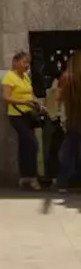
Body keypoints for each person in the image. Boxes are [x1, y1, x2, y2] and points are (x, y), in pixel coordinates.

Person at [3, 50, 42, 190]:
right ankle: (32, 177)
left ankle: (25, 176)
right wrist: (23, 102)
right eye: (24, 62)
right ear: (15, 62)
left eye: (28, 62)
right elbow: (6, 97)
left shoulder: (26, 77)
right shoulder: (9, 77)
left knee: (24, 146)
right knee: (33, 144)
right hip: (16, 115)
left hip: (28, 115)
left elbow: (30, 94)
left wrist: (37, 103)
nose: (27, 65)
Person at [56, 51, 81, 192]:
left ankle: (63, 182)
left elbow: (58, 97)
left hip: (72, 119)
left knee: (68, 152)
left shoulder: (66, 78)